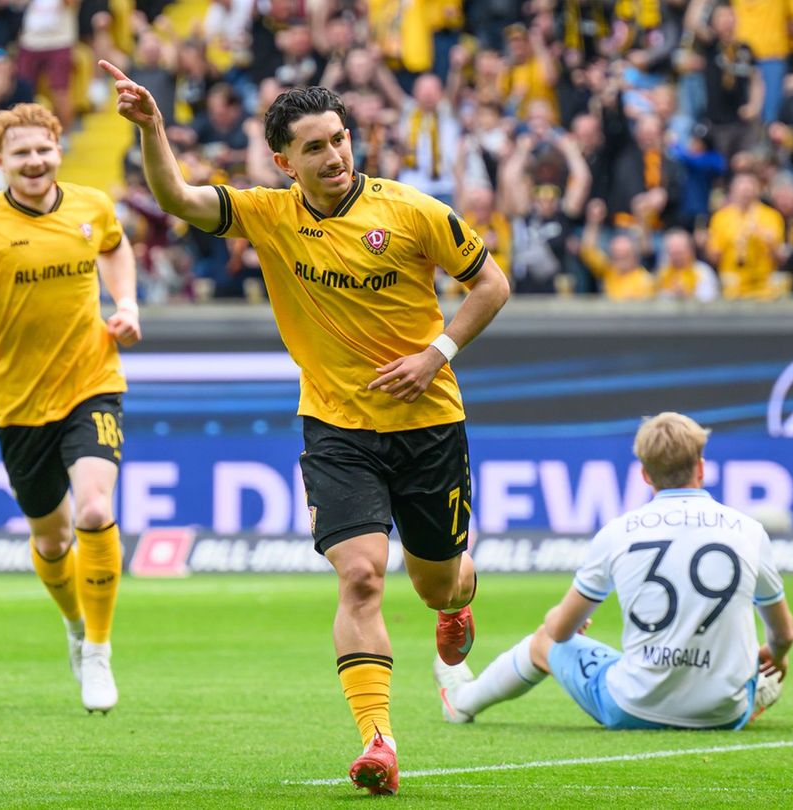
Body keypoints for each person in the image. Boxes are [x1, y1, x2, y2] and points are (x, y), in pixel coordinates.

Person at [104, 64, 509, 795]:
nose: (335, 156)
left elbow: (492, 283)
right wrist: (153, 130)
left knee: (438, 584)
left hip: (429, 424)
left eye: (340, 139)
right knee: (359, 578)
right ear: (284, 162)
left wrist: (435, 354)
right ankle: (379, 740)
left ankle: (457, 605)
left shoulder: (413, 212)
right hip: (335, 427)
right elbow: (178, 198)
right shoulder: (267, 213)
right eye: (316, 147)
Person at [0, 103, 141, 714]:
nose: (34, 162)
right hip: (20, 403)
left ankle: (100, 651)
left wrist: (126, 303)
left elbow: (116, 245)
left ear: (58, 151)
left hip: (91, 381)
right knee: (51, 542)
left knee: (96, 508)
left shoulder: (90, 206)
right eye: (20, 153)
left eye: (43, 150)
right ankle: (76, 626)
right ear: (0, 162)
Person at [435, 412, 793, 733]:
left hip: (633, 706)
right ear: (701, 467)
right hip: (724, 712)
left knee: (545, 639)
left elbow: (561, 632)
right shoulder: (748, 530)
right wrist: (776, 655)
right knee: (753, 666)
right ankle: (747, 689)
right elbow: (785, 634)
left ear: (644, 474)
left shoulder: (619, 532)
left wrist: (559, 621)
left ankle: (462, 701)